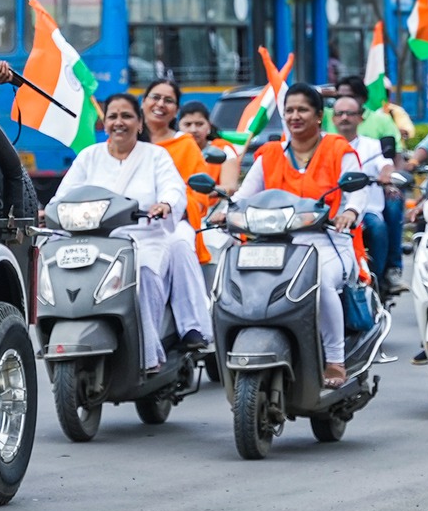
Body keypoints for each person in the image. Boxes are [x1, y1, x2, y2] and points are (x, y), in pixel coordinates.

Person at [231, 83, 378, 388]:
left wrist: (350, 212)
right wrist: (225, 211)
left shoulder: (338, 149)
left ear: (318, 115)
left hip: (328, 240)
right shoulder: (270, 153)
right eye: (289, 110)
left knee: (318, 282)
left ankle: (335, 360)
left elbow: (358, 193)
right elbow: (243, 196)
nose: (294, 116)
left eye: (302, 110)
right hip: (275, 243)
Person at [51, 91, 210, 370]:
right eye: (113, 116)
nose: (119, 122)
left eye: (126, 116)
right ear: (105, 124)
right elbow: (63, 196)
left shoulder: (156, 156)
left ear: (139, 123)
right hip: (93, 239)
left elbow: (173, 189)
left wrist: (165, 204)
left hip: (145, 238)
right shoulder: (89, 157)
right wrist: (49, 212)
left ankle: (148, 355)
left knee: (144, 271)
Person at [333, 93, 404, 296]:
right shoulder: (326, 146)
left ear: (360, 117)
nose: (344, 118)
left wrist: (387, 175)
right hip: (333, 212)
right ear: (333, 118)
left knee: (378, 228)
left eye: (350, 113)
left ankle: (377, 281)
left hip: (367, 211)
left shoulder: (372, 146)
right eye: (340, 113)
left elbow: (386, 165)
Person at [141, 78, 215, 248]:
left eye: (168, 100)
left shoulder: (185, 144)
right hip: (129, 220)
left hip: (173, 222)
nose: (160, 104)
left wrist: (172, 210)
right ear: (143, 102)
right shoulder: (127, 142)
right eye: (155, 97)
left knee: (179, 243)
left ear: (176, 111)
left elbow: (198, 196)